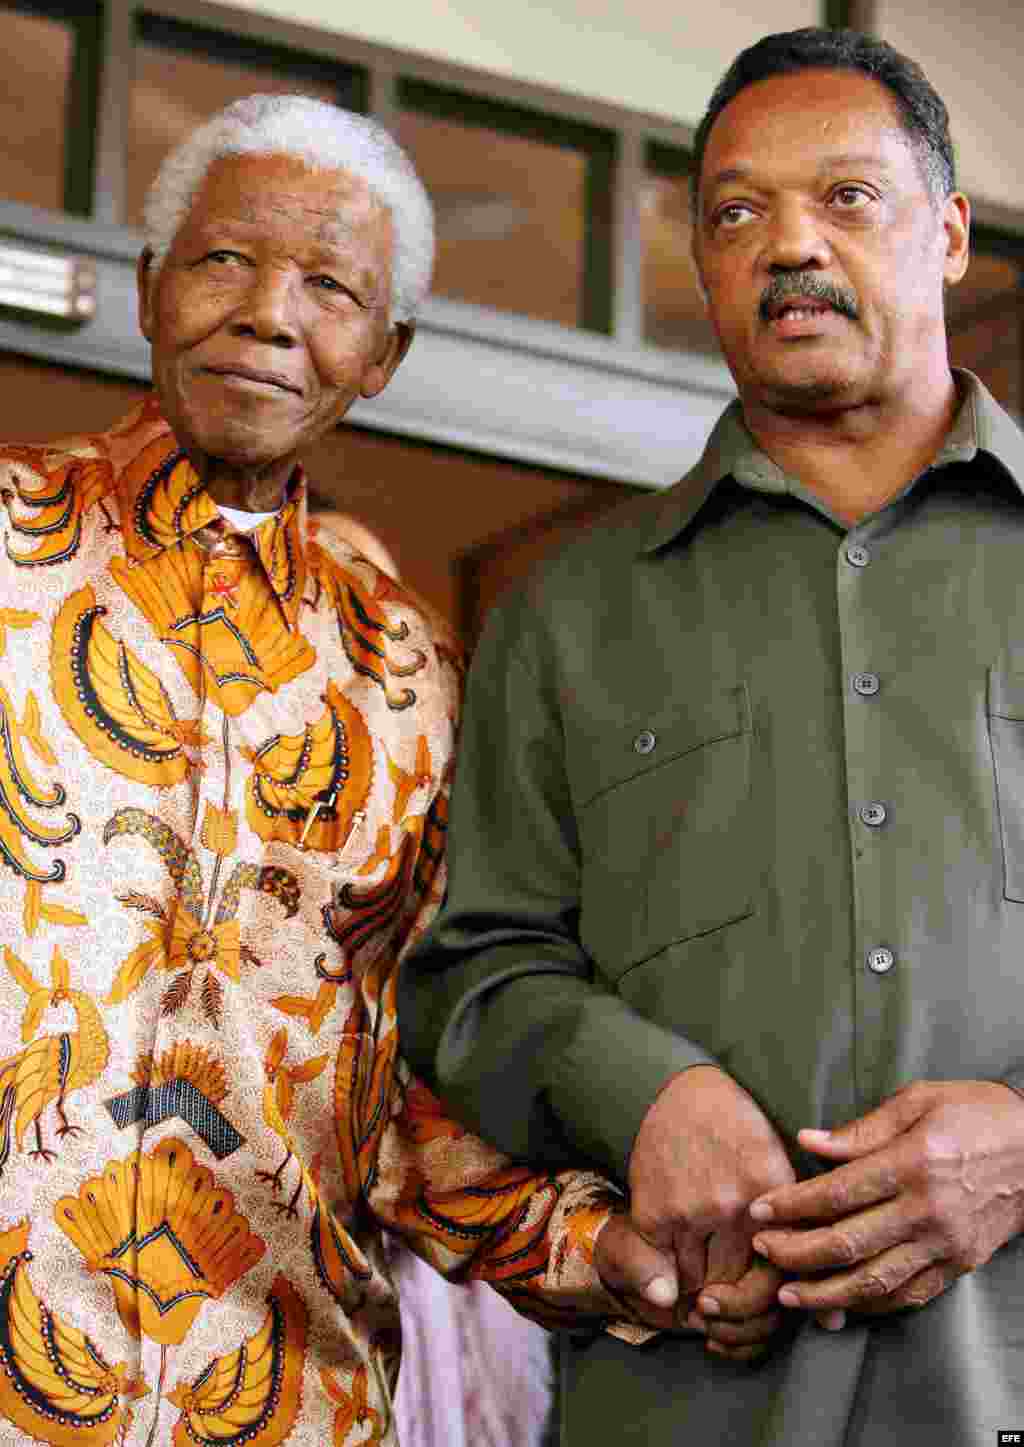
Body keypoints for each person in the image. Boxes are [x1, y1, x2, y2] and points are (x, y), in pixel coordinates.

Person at [0, 93, 670, 1447]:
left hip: (283, 1407)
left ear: (384, 353)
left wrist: (597, 1249)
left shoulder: (406, 667)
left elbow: (414, 1090)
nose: (267, 313)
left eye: (331, 287)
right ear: (148, 288)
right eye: (223, 260)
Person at [398, 26, 1024, 1447]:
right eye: (738, 212)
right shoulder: (568, 615)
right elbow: (473, 977)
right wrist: (644, 1091)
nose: (789, 244)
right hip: (689, 1404)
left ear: (949, 234)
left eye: (847, 198)